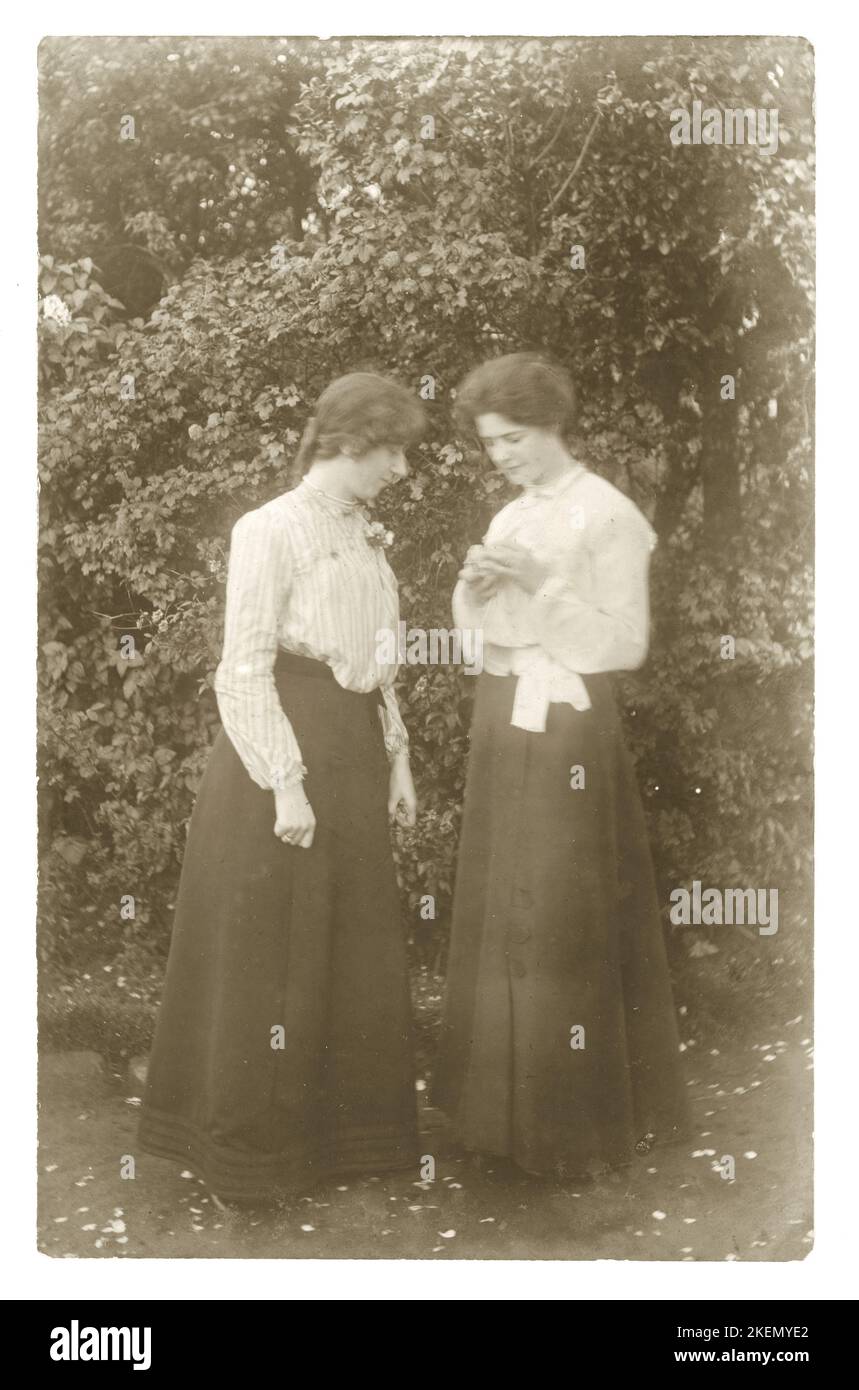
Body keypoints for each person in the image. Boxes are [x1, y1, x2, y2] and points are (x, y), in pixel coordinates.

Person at [137, 372, 425, 1206]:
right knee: (275, 958)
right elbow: (242, 668)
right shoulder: (267, 530)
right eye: (393, 450)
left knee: (346, 946)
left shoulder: (366, 534)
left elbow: (376, 670)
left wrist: (397, 758)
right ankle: (252, 1163)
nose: (401, 469)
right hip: (279, 760)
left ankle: (340, 1145)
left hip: (355, 750)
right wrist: (287, 786)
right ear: (347, 443)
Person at [431, 352, 690, 1181]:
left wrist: (545, 586)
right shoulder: (510, 517)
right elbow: (482, 632)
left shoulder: (608, 515)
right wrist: (471, 591)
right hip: (505, 718)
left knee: (557, 915)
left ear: (550, 425)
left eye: (511, 439)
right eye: (490, 444)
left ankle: (569, 1123)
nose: (499, 456)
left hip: (569, 730)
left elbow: (624, 643)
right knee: (502, 907)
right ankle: (497, 1118)